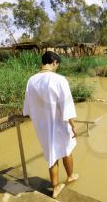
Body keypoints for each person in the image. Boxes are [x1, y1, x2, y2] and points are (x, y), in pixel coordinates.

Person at [23, 51, 79, 198]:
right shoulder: (59, 80)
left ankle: (55, 186)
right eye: (57, 65)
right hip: (59, 123)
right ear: (54, 62)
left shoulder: (31, 80)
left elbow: (27, 107)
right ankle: (69, 177)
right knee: (66, 149)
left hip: (42, 126)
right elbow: (67, 106)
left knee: (51, 153)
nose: (56, 68)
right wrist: (73, 125)